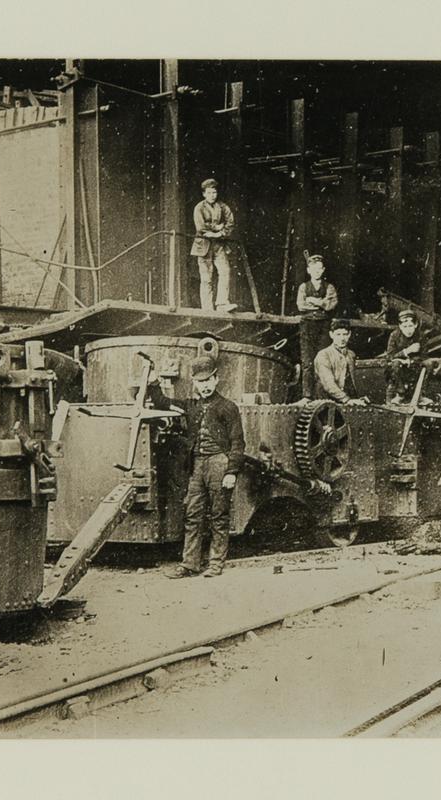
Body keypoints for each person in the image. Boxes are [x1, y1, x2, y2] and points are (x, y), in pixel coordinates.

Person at [149, 355, 245, 578]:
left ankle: (216, 564)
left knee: (219, 515)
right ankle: (190, 564)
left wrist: (231, 472)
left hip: (219, 463)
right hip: (197, 465)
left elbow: (238, 443)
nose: (205, 386)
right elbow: (162, 402)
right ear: (194, 382)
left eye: (208, 380)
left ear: (216, 379)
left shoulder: (228, 407)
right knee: (192, 514)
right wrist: (153, 382)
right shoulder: (190, 406)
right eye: (200, 382)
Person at [295, 252, 339, 401]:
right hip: (307, 326)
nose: (317, 271)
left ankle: (322, 395)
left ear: (323, 270)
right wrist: (322, 303)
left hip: (324, 326)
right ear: (308, 270)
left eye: (320, 268)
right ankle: (307, 395)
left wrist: (313, 301)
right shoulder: (303, 287)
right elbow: (301, 306)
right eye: (314, 269)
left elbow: (330, 305)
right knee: (307, 361)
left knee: (323, 361)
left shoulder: (329, 287)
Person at [190, 179, 237, 313]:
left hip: (219, 245)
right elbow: (201, 228)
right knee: (206, 278)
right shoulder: (199, 208)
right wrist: (217, 227)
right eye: (209, 193)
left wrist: (220, 233)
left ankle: (222, 303)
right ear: (204, 194)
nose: (212, 195)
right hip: (203, 247)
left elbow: (230, 223)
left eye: (214, 192)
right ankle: (207, 309)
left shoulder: (222, 207)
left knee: (225, 271)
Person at [384, 308, 441, 403]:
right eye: (405, 326)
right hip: (399, 365)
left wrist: (412, 361)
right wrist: (407, 351)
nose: (408, 329)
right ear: (400, 326)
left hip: (415, 364)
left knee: (428, 363)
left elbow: (424, 355)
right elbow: (389, 356)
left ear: (416, 325)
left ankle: (421, 395)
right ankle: (400, 394)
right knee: (394, 365)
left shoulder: (421, 336)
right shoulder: (394, 335)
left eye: (410, 326)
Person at [314, 318, 368, 406]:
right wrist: (346, 399)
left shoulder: (351, 355)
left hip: (345, 401)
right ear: (331, 335)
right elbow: (328, 384)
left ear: (349, 334)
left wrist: (358, 397)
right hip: (326, 403)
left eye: (345, 334)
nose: (342, 338)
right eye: (338, 334)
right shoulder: (323, 355)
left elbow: (352, 382)